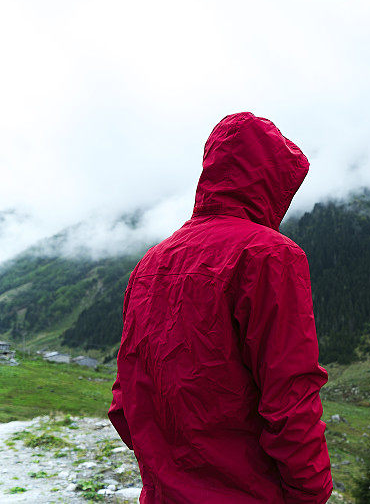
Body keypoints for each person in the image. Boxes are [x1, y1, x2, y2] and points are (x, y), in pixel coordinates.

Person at [108, 112, 333, 503]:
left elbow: (123, 403)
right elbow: (290, 396)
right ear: (275, 181)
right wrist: (310, 493)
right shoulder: (269, 255)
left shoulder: (151, 262)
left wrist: (170, 467)